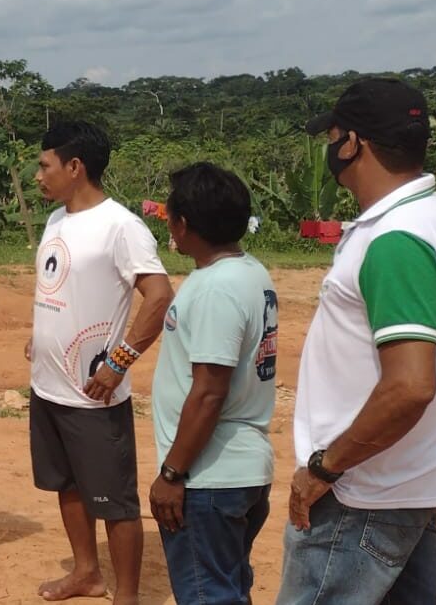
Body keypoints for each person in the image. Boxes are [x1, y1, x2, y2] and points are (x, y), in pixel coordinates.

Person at [278, 78, 436, 605]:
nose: (331, 148)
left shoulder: (397, 237)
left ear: (353, 142)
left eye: (333, 136)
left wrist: (324, 468)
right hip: (403, 484)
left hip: (358, 495)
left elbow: (410, 386)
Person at [27, 120, 172, 605]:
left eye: (44, 165)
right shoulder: (55, 221)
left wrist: (119, 362)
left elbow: (158, 296)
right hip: (48, 385)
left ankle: (126, 594)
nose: (37, 175)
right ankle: (87, 573)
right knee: (66, 483)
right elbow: (61, 289)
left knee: (115, 500)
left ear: (74, 166)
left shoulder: (121, 226)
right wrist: (40, 337)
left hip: (93, 393)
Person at [149, 163, 278, 605]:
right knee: (227, 588)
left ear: (183, 224)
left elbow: (208, 392)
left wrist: (172, 473)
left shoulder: (214, 290)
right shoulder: (250, 272)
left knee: (208, 596)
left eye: (170, 217)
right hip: (239, 468)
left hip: (208, 477)